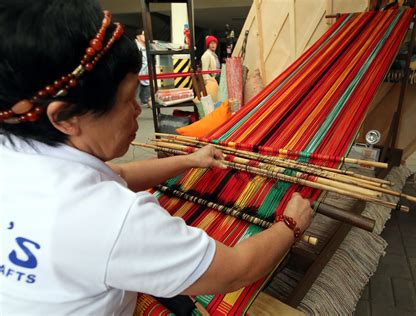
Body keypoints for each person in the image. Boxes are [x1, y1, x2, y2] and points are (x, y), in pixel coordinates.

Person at [0, 1, 313, 315]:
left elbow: (117, 175)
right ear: (65, 117)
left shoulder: (16, 148)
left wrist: (191, 160)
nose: (139, 109)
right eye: (128, 99)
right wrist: (291, 225)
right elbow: (235, 271)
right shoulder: (109, 219)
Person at [135, 28, 151, 107]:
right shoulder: (134, 46)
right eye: (144, 35)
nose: (146, 37)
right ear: (138, 37)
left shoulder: (147, 46)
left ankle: (147, 101)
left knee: (146, 92)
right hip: (136, 75)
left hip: (146, 73)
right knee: (135, 95)